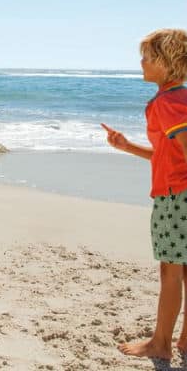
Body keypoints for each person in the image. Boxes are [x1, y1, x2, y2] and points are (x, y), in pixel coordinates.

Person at [102, 28, 187, 362]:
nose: (141, 63)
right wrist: (127, 146)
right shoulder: (181, 98)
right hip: (180, 191)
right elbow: (168, 155)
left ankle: (160, 343)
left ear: (166, 63)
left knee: (170, 270)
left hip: (176, 196)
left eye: (147, 57)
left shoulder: (166, 103)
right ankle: (184, 339)